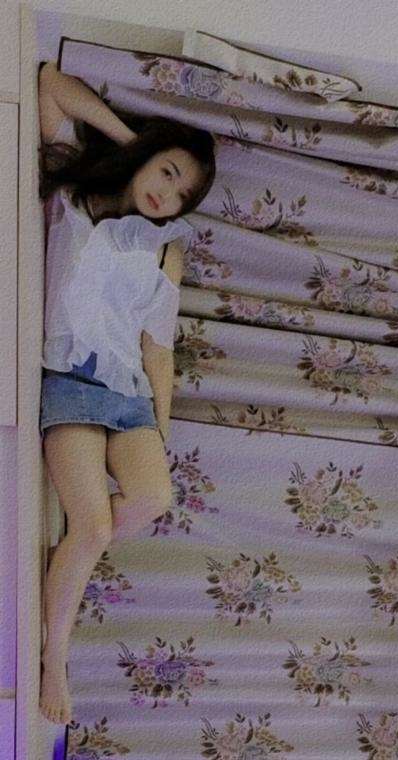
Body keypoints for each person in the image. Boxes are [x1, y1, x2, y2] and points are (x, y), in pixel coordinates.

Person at [37, 60, 216, 725]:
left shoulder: (168, 250)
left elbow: (158, 351)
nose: (169, 195)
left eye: (183, 192)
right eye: (167, 172)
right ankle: (55, 657)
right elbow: (50, 85)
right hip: (71, 383)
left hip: (130, 395)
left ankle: (72, 553)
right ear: (143, 158)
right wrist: (135, 143)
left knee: (153, 499)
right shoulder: (74, 198)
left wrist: (158, 434)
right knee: (91, 527)